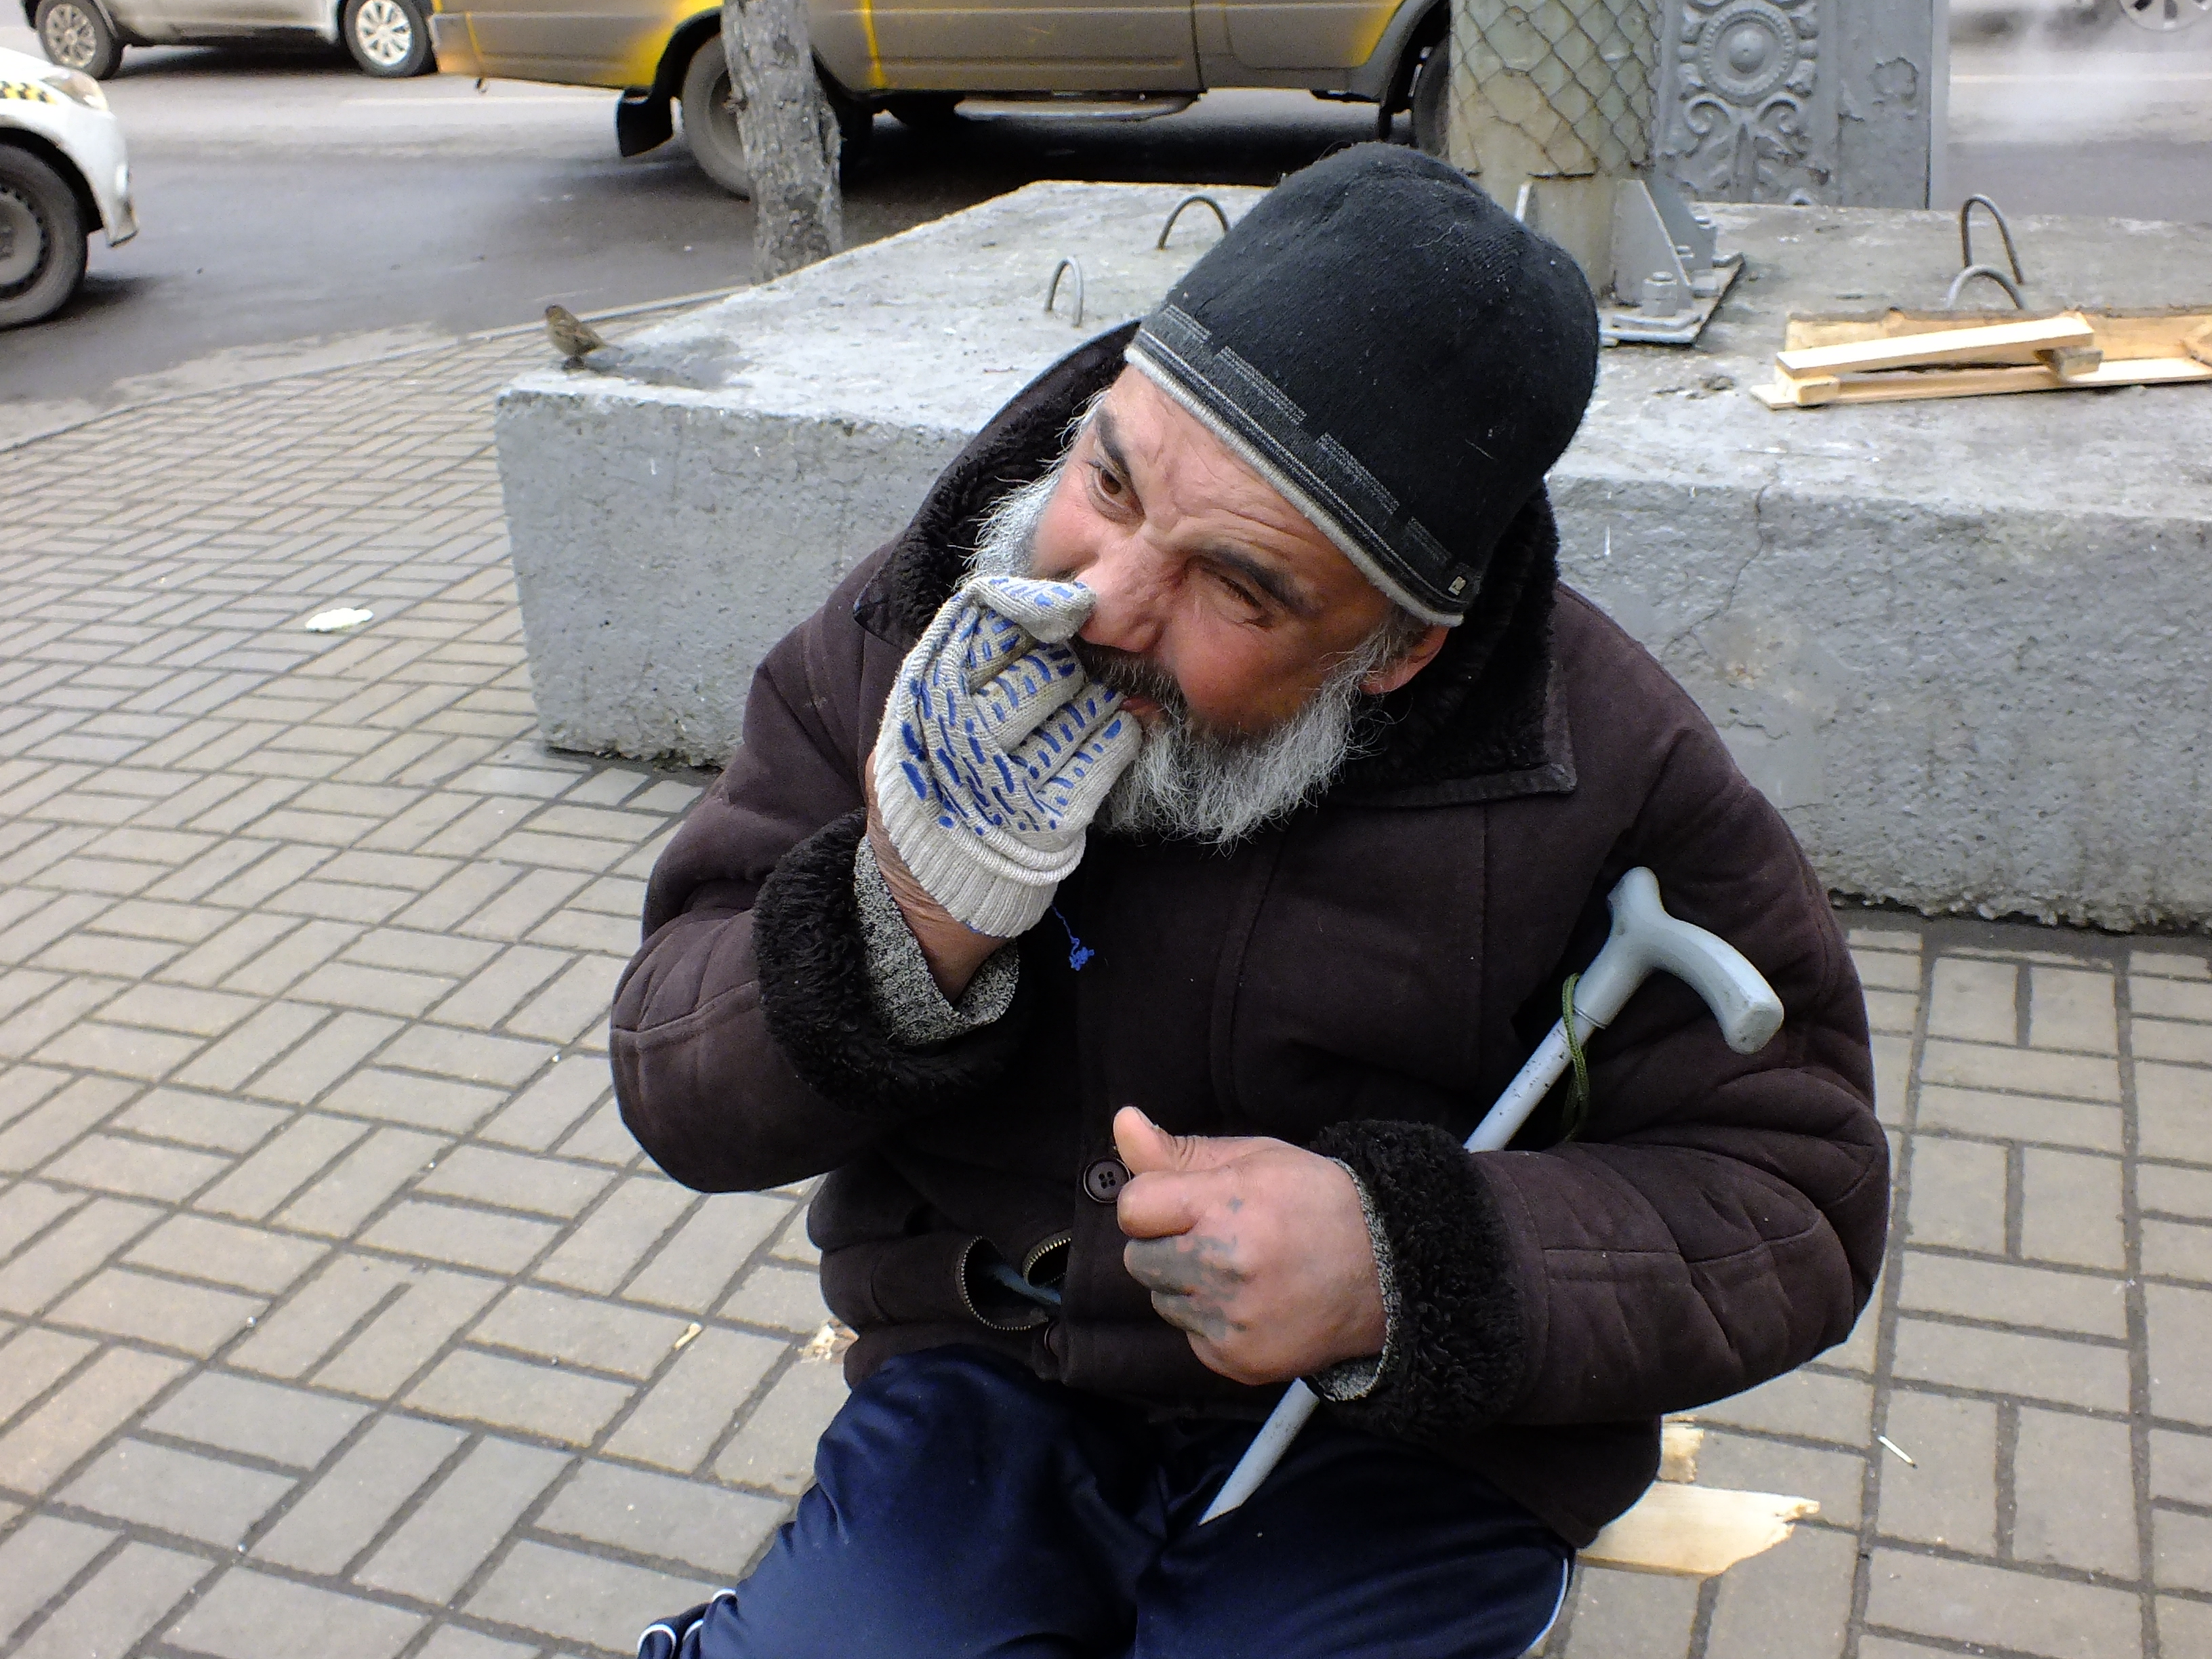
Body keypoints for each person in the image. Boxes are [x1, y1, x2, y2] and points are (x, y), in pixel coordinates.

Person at [613, 144, 1885, 1659]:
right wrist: (897, 928)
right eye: (1111, 480)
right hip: (995, 1365)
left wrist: (1406, 1262)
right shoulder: (915, 643)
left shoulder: (1600, 761)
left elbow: (1793, 1197)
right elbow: (674, 1091)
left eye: (1241, 587)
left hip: (1418, 1447)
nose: (1103, 599)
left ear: (1399, 648)